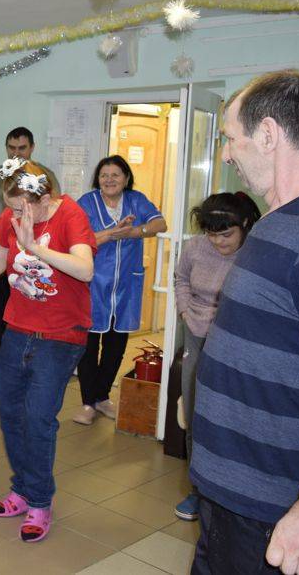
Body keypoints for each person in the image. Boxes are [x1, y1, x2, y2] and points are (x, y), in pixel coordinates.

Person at [190, 70, 299, 574]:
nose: (226, 155)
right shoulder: (282, 221)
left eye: (230, 138)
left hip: (279, 513)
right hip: (236, 500)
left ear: (267, 134)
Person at [0, 158, 95, 543]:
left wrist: (35, 248)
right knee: (11, 415)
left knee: (38, 418)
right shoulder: (10, 217)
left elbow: (85, 270)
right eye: (10, 207)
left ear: (44, 198)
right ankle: (23, 488)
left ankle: (40, 501)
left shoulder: (71, 215)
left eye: (20, 208)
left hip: (61, 335)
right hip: (18, 330)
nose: (13, 215)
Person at [172, 192, 261, 522]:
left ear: (245, 224)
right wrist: (185, 311)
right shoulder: (195, 248)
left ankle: (232, 492)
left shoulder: (255, 252)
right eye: (212, 234)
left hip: (235, 344)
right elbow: (181, 278)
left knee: (230, 417)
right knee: (195, 413)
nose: (219, 242)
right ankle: (198, 491)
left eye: (226, 234)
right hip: (196, 335)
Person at [74, 156, 166, 425]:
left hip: (126, 285)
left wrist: (135, 232)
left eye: (115, 174)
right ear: (97, 179)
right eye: (104, 175)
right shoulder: (87, 202)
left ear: (126, 178)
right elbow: (79, 238)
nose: (109, 180)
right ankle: (88, 402)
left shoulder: (137, 200)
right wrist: (112, 233)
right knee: (89, 346)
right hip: (93, 283)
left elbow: (160, 224)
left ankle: (102, 397)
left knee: (116, 346)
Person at [0, 127, 60, 378]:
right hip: (0, 252)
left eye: (21, 148)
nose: (16, 153)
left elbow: (53, 212)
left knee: (29, 315)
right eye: (11, 148)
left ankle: (28, 366)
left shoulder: (45, 175)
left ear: (32, 148)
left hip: (34, 258)